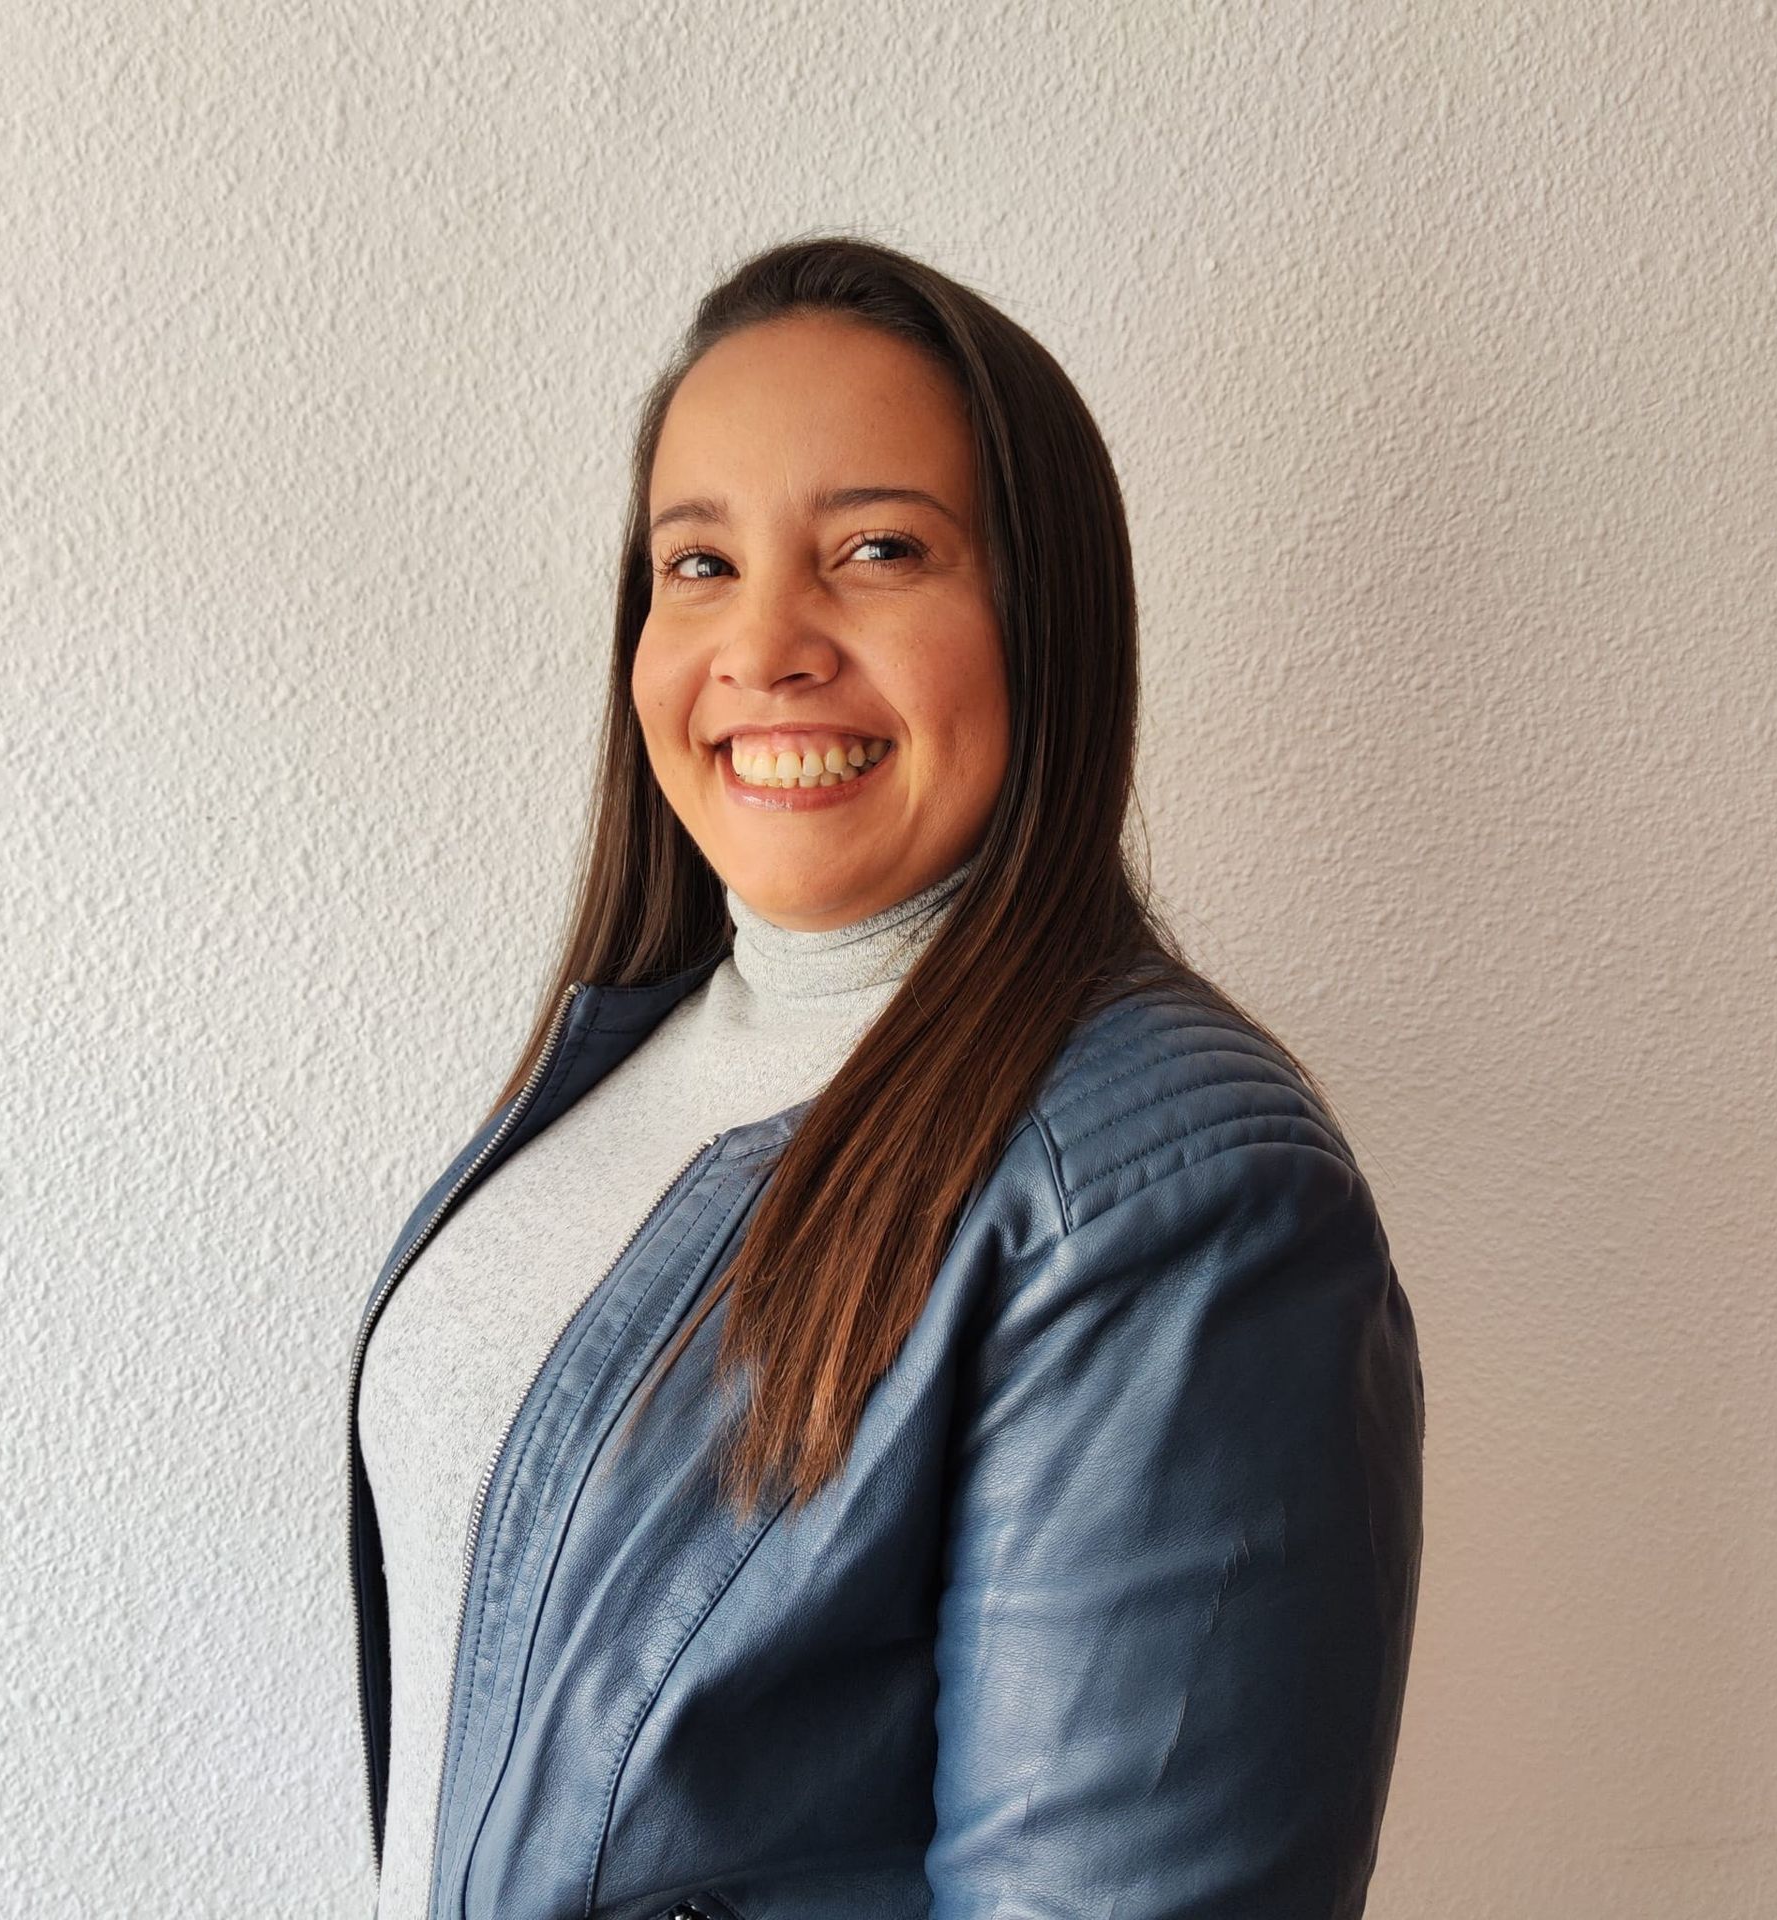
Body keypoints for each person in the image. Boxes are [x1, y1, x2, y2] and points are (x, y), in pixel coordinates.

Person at [347, 234, 1425, 1920]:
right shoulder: (628, 1058)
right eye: (696, 564)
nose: (765, 642)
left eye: (876, 549)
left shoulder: (1174, 1190)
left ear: (1040, 613)